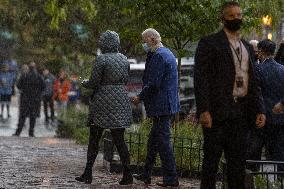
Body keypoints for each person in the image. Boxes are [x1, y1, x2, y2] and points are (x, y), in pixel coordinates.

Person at [194, 2, 266, 189]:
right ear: (223, 18)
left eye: (239, 15)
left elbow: (253, 81)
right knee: (211, 163)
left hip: (241, 115)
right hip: (217, 114)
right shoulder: (209, 43)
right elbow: (201, 79)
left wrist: (259, 109)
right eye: (232, 16)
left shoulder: (247, 48)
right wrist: (204, 110)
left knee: (237, 166)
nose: (236, 18)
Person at [75, 30, 133, 185]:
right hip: (120, 100)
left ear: (104, 43)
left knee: (94, 138)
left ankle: (88, 173)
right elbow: (126, 79)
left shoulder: (101, 59)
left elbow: (94, 82)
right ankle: (128, 174)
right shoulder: (124, 59)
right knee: (120, 140)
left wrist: (84, 82)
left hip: (102, 102)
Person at [131, 28, 180, 187]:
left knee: (164, 144)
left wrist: (140, 97)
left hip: (161, 106)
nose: (143, 44)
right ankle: (146, 174)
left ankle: (171, 179)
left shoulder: (159, 56)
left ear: (152, 39)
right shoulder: (167, 53)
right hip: (165, 105)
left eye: (144, 41)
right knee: (153, 143)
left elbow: (154, 83)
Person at [247, 39, 284, 171]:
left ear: (261, 51)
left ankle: (252, 180)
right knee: (279, 155)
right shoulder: (282, 69)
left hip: (261, 120)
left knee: (253, 155)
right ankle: (280, 182)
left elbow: (255, 94)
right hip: (279, 120)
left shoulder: (258, 69)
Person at [13, 62, 45, 137]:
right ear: (35, 67)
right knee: (32, 116)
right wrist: (38, 93)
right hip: (35, 99)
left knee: (22, 116)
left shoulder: (24, 76)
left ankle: (18, 132)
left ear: (29, 68)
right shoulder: (38, 76)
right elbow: (43, 86)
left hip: (25, 98)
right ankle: (31, 132)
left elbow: (18, 85)